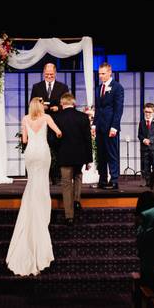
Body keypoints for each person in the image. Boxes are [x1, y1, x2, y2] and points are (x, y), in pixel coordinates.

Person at [6, 97, 62, 276]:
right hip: (43, 152)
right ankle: (42, 213)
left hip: (31, 153)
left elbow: (24, 140)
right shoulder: (46, 118)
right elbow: (59, 132)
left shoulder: (25, 119)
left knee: (32, 182)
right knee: (42, 183)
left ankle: (32, 208)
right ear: (41, 106)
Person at [55, 92, 93, 226]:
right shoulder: (83, 117)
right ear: (74, 103)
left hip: (64, 155)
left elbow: (54, 140)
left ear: (62, 103)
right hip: (79, 155)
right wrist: (89, 159)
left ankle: (69, 216)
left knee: (66, 184)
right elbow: (88, 140)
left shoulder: (57, 117)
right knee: (78, 177)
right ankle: (76, 200)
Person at [29, 63, 70, 184]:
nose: (49, 76)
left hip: (57, 122)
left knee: (57, 150)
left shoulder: (63, 87)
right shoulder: (37, 87)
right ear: (43, 73)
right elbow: (32, 104)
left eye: (51, 74)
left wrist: (58, 108)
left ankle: (56, 177)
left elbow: (67, 103)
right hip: (41, 123)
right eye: (47, 74)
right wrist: (41, 107)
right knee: (42, 150)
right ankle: (43, 176)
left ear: (55, 73)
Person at [94, 62, 124, 190]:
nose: (100, 76)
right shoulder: (98, 88)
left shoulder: (117, 87)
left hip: (110, 126)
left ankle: (114, 179)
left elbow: (118, 109)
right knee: (101, 154)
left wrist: (114, 126)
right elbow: (97, 108)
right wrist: (94, 124)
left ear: (109, 72)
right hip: (100, 125)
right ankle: (102, 179)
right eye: (99, 73)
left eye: (103, 73)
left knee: (112, 153)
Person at [138, 102, 154, 186]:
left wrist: (150, 140)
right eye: (146, 112)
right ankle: (147, 182)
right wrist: (144, 139)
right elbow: (139, 134)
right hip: (144, 148)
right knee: (145, 166)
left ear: (153, 112)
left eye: (149, 112)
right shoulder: (141, 123)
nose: (147, 114)